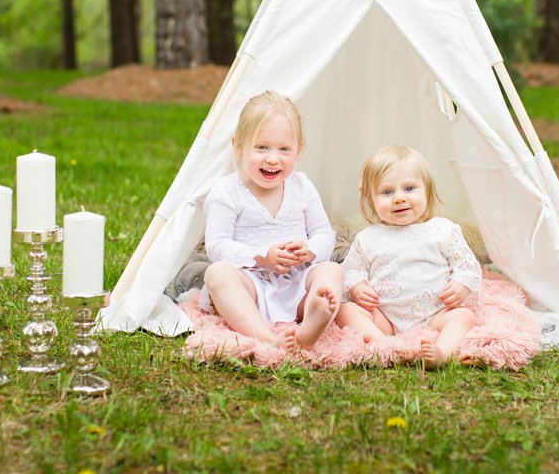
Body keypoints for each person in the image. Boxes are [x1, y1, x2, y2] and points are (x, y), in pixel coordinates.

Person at [200, 91, 343, 351]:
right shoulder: (226, 191)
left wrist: (310, 251)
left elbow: (324, 232)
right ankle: (265, 336)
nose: (273, 158)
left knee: (332, 271)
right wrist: (263, 257)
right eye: (262, 147)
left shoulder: (302, 186)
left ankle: (312, 322)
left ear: (299, 149)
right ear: (239, 146)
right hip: (251, 286)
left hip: (298, 281)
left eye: (284, 149)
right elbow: (217, 245)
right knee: (216, 273)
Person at [337, 145, 482, 368]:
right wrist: (357, 287)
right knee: (346, 310)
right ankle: (383, 345)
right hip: (386, 317)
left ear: (427, 191)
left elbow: (467, 265)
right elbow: (351, 270)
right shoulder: (368, 238)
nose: (398, 198)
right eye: (387, 192)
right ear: (371, 199)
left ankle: (442, 352)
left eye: (409, 188)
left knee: (463, 317)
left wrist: (461, 285)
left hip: (436, 314)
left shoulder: (442, 230)